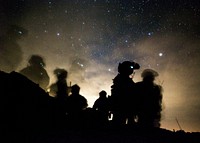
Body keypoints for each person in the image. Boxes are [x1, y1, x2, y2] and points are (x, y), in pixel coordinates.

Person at [110, 61, 140, 126]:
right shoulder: (122, 79)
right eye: (131, 69)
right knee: (119, 123)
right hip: (122, 104)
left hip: (123, 104)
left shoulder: (121, 78)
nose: (132, 70)